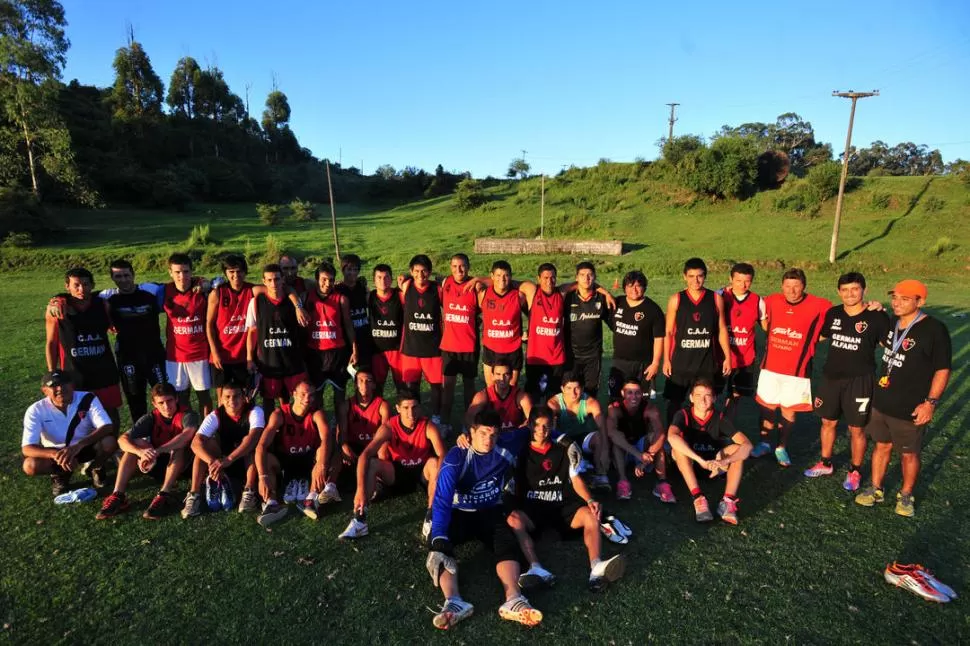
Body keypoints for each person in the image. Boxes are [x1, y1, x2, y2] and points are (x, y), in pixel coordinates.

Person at [425, 410, 542, 629]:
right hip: (459, 512)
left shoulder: (507, 444)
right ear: (471, 433)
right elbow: (442, 498)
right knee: (438, 547)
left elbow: (536, 427)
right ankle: (453, 602)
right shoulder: (457, 456)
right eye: (483, 434)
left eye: (494, 434)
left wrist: (563, 441)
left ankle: (514, 599)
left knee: (507, 544)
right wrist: (439, 532)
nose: (488, 440)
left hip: (490, 510)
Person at [855, 280, 951, 518]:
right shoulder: (891, 323)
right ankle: (875, 487)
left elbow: (942, 369)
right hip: (883, 401)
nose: (897, 302)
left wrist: (930, 403)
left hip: (911, 405)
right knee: (881, 446)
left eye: (905, 299)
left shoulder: (934, 330)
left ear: (921, 302)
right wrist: (876, 307)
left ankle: (906, 494)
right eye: (895, 297)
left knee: (908, 453)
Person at [509, 408, 626, 593]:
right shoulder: (520, 451)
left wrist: (589, 499)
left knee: (591, 515)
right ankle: (536, 568)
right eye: (537, 425)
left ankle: (596, 567)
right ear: (530, 425)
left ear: (553, 426)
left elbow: (575, 479)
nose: (542, 430)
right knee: (513, 519)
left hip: (562, 503)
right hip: (534, 508)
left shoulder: (564, 449)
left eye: (546, 426)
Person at [805, 272, 890, 490]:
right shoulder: (833, 313)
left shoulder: (877, 317)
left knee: (856, 428)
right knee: (827, 422)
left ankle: (854, 470)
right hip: (831, 377)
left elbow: (889, 345)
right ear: (838, 292)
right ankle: (825, 463)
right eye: (845, 290)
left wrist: (882, 308)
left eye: (855, 289)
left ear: (864, 290)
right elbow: (820, 335)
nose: (850, 294)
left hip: (860, 380)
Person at [339, 389, 446, 540]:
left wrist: (439, 480)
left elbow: (442, 454)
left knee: (435, 463)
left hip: (422, 472)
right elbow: (365, 455)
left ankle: (431, 517)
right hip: (398, 473)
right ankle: (360, 520)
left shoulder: (428, 426)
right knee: (373, 464)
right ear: (397, 409)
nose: (411, 413)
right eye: (406, 408)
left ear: (420, 408)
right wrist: (360, 490)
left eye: (415, 407)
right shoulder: (389, 427)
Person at [753, 269, 833, 467]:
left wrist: (871, 306)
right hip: (770, 369)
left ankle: (781, 447)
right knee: (767, 410)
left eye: (796, 286)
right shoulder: (771, 301)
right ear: (782, 286)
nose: (792, 290)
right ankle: (764, 443)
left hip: (797, 373)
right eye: (788, 286)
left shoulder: (820, 305)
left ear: (804, 286)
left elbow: (838, 320)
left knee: (789, 412)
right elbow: (748, 302)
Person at [96, 383, 199, 520]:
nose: (166, 406)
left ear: (176, 399)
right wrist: (140, 452)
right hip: (158, 462)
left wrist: (158, 450)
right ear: (154, 404)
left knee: (178, 448)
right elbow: (122, 439)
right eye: (161, 403)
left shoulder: (188, 415)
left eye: (169, 401)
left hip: (184, 464)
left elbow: (186, 435)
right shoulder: (150, 418)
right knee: (132, 449)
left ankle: (164, 495)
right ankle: (118, 495)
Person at [44, 267, 122, 431]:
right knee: (80, 416)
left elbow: (113, 327)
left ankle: (112, 449)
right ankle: (87, 451)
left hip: (104, 370)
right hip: (75, 373)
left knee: (110, 413)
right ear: (67, 287)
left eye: (86, 284)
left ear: (92, 285)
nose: (81, 289)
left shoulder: (103, 305)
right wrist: (53, 372)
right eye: (76, 285)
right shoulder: (58, 309)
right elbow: (51, 342)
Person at [667, 378, 752, 525]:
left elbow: (748, 445)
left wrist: (723, 461)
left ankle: (727, 501)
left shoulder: (719, 417)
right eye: (698, 395)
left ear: (714, 398)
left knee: (738, 449)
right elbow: (671, 436)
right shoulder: (683, 414)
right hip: (691, 463)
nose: (703, 399)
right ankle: (698, 498)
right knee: (677, 448)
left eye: (707, 395)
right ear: (691, 398)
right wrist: (700, 460)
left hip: (715, 466)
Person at [22, 371, 117, 496]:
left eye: (64, 384)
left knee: (109, 442)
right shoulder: (35, 410)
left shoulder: (87, 398)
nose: (60, 389)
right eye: (54, 386)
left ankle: (95, 468)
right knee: (30, 465)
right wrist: (57, 455)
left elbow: (107, 426)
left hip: (84, 447)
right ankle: (60, 474)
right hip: (57, 453)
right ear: (44, 391)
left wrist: (78, 446)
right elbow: (27, 448)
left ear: (72, 385)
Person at [663, 258, 731, 424]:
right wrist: (666, 359)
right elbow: (669, 331)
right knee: (675, 403)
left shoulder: (715, 299)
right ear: (684, 276)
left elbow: (722, 329)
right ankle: (672, 436)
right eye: (691, 276)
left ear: (705, 276)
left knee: (706, 403)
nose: (696, 280)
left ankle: (705, 435)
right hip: (681, 362)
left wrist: (727, 357)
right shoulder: (676, 299)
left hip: (706, 363)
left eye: (700, 276)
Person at [255, 380, 333, 526]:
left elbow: (327, 437)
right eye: (303, 394)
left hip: (309, 460)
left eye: (310, 395)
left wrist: (322, 464)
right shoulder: (280, 413)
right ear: (294, 394)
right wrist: (262, 477)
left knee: (324, 451)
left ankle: (311, 499)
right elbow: (261, 445)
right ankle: (271, 504)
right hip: (285, 461)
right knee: (265, 458)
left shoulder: (316, 413)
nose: (306, 399)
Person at [182, 383, 265, 518]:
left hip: (247, 461)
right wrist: (213, 462)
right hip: (223, 461)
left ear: (244, 397)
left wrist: (228, 460)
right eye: (227, 397)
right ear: (221, 399)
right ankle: (194, 494)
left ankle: (249, 491)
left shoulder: (255, 411)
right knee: (203, 447)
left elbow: (254, 437)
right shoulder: (215, 415)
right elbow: (195, 443)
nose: (231, 401)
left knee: (249, 443)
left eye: (236, 396)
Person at [103, 259, 167, 422]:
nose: (123, 280)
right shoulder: (108, 297)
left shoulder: (151, 290)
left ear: (133, 274)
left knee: (163, 394)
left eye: (126, 275)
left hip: (154, 354)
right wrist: (57, 298)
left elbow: (175, 285)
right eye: (118, 276)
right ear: (112, 278)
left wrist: (199, 281)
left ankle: (166, 429)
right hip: (127, 356)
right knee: (134, 397)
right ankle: (142, 434)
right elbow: (78, 296)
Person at [246, 264, 310, 412]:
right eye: (269, 280)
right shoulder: (256, 302)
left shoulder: (294, 303)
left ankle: (289, 431)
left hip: (291, 361)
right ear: (264, 281)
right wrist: (250, 358)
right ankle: (271, 431)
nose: (273, 283)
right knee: (268, 400)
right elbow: (252, 332)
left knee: (293, 401)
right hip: (269, 362)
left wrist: (298, 306)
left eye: (277, 279)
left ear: (283, 281)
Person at [162, 253, 214, 416]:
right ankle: (187, 431)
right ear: (170, 272)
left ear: (192, 272)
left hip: (199, 354)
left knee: (204, 397)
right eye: (177, 272)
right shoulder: (164, 290)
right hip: (175, 356)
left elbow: (218, 282)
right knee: (180, 398)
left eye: (185, 271)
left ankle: (205, 433)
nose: (182, 276)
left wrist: (204, 282)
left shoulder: (203, 289)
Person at [607, 379, 672, 502]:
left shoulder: (649, 408)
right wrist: (638, 455)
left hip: (642, 446)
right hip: (625, 449)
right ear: (622, 393)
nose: (634, 397)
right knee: (617, 439)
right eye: (629, 392)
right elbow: (612, 434)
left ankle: (662, 483)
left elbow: (661, 433)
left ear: (642, 393)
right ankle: (623, 481)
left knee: (656, 439)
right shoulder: (614, 408)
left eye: (637, 393)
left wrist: (647, 457)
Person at [546, 372, 611, 491]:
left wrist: (606, 450)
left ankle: (600, 474)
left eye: (577, 388)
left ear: (582, 388)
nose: (573, 393)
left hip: (582, 439)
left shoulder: (590, 403)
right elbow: (550, 431)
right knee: (551, 430)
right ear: (562, 389)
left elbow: (602, 427)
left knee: (599, 437)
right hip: (562, 440)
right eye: (569, 388)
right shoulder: (553, 404)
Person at [718, 263, 766, 420]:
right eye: (738, 280)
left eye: (747, 281)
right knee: (710, 393)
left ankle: (726, 429)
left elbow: (767, 327)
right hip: (720, 357)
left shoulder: (758, 301)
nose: (742, 285)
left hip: (745, 359)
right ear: (730, 279)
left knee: (735, 397)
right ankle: (707, 428)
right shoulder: (719, 296)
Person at [607, 270, 665, 401]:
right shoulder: (617, 303)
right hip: (619, 362)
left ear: (644, 287)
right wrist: (606, 293)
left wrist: (655, 363)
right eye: (630, 285)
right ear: (624, 287)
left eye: (638, 285)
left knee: (643, 403)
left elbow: (659, 338)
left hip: (644, 364)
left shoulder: (653, 309)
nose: (634, 289)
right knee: (615, 401)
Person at [399, 254, 444, 421]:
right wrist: (406, 275)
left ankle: (436, 418)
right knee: (411, 387)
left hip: (433, 348)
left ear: (430, 272)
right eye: (416, 271)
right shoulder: (406, 285)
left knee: (436, 386)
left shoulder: (437, 289)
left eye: (424, 271)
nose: (420, 275)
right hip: (411, 348)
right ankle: (413, 417)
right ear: (411, 272)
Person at [304, 261, 357, 399]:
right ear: (316, 279)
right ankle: (319, 421)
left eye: (331, 280)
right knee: (316, 396)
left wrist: (354, 349)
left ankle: (340, 421)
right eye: (324, 279)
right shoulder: (306, 297)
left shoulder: (342, 299)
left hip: (337, 352)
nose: (328, 284)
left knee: (340, 394)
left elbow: (348, 324)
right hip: (315, 353)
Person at [440, 253, 480, 434]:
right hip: (449, 346)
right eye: (455, 266)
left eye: (462, 266)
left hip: (469, 346)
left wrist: (479, 279)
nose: (459, 270)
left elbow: (493, 284)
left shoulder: (475, 287)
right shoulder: (445, 282)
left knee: (469, 388)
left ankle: (468, 423)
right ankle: (445, 423)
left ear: (468, 267)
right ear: (450, 267)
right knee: (447, 388)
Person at [207, 255, 254, 399]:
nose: (235, 275)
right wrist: (214, 353)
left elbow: (275, 289)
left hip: (244, 356)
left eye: (239, 271)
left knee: (246, 398)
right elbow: (209, 324)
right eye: (231, 271)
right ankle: (222, 422)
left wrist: (297, 305)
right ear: (226, 273)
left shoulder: (252, 290)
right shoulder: (217, 293)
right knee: (223, 399)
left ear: (245, 272)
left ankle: (246, 422)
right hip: (222, 356)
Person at [519, 263, 566, 403]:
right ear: (538, 278)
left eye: (552, 278)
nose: (549, 282)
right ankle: (531, 423)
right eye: (545, 278)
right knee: (533, 395)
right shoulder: (532, 291)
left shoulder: (561, 293)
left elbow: (580, 283)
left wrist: (605, 293)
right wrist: (475, 280)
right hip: (535, 357)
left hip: (557, 357)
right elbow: (506, 281)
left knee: (554, 397)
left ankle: (553, 424)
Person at [563, 261, 610, 397]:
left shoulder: (602, 299)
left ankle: (588, 418)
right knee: (570, 392)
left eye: (590, 275)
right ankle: (569, 418)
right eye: (582, 275)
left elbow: (614, 323)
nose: (586, 278)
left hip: (593, 356)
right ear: (576, 278)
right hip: (571, 355)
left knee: (590, 392)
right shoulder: (567, 298)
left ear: (595, 277)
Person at [479, 260, 525, 388]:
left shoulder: (519, 296)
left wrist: (528, 332)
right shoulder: (484, 294)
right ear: (492, 276)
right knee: (491, 387)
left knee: (511, 387)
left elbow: (533, 313)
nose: (502, 279)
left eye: (506, 275)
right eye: (498, 275)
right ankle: (491, 408)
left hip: (513, 349)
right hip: (491, 348)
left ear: (510, 276)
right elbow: (474, 311)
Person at [337, 368, 392, 476]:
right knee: (337, 454)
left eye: (368, 381)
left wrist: (376, 451)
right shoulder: (346, 405)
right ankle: (331, 485)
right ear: (355, 385)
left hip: (374, 445)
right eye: (360, 381)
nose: (364, 384)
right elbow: (342, 432)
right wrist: (344, 446)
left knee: (384, 451)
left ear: (374, 385)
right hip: (355, 445)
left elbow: (385, 434)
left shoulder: (382, 405)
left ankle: (379, 481)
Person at [367, 264, 405, 391]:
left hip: (397, 349)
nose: (383, 281)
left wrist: (406, 276)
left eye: (386, 277)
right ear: (374, 280)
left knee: (402, 385)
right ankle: (378, 411)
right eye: (379, 277)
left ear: (391, 278)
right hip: (377, 350)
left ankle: (404, 410)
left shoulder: (399, 295)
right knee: (377, 387)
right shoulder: (369, 296)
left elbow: (413, 279)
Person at [464, 361, 533, 431]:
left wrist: (524, 427)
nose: (502, 378)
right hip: (491, 438)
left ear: (512, 375)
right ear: (492, 376)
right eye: (498, 374)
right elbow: (469, 418)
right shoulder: (483, 396)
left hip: (515, 437)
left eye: (506, 374)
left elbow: (533, 420)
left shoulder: (521, 397)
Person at [334, 253, 372, 369]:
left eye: (355, 269)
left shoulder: (362, 287)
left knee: (365, 374)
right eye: (349, 269)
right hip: (346, 340)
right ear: (343, 270)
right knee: (346, 375)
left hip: (364, 336)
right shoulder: (338, 289)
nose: (352, 273)